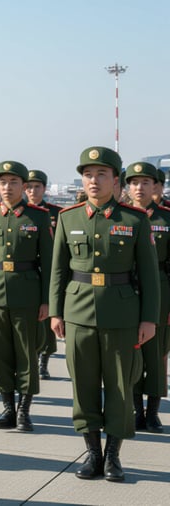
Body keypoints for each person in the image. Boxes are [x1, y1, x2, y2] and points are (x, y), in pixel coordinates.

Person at [49, 146, 158, 482]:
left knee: (120, 388)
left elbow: (149, 275)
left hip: (121, 315)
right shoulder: (69, 217)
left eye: (101, 174)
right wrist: (56, 311)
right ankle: (92, 454)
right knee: (83, 387)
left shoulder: (134, 219)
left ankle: (113, 456)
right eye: (88, 174)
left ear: (115, 180)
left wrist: (148, 318)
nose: (93, 181)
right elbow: (57, 271)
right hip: (78, 312)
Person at [0, 161, 53, 432]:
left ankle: (24, 410)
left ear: (23, 185)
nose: (7, 188)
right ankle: (7, 407)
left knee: (26, 353)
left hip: (28, 293)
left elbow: (49, 262)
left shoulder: (39, 217)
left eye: (13, 182)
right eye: (2, 183)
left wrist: (47, 300)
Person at [124, 161, 169, 434]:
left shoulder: (165, 218)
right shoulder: (121, 217)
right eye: (134, 182)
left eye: (145, 183)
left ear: (156, 187)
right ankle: (135, 409)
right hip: (125, 292)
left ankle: (152, 413)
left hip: (161, 293)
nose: (139, 188)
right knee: (130, 354)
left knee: (155, 356)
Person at [25, 169, 62, 379]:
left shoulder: (55, 213)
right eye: (29, 187)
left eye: (37, 187)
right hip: (29, 272)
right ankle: (32, 356)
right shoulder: (23, 212)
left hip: (50, 271)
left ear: (44, 189)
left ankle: (44, 361)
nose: (32, 191)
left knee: (48, 319)